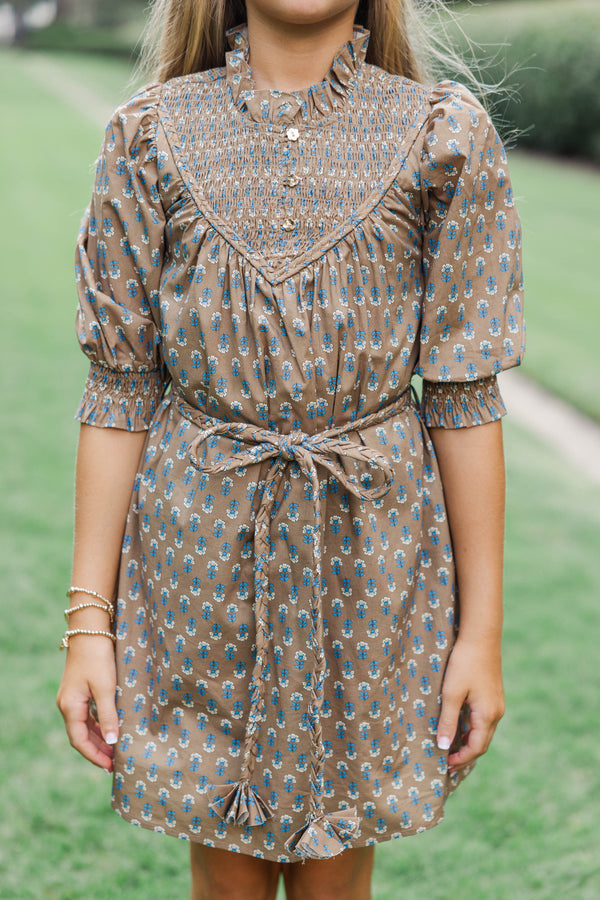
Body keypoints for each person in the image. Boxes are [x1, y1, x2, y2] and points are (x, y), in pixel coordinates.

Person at [56, 1, 525, 897]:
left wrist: (482, 634)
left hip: (375, 568)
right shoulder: (149, 135)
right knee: (223, 872)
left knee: (338, 877)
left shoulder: (444, 135)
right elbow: (120, 390)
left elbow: (465, 395)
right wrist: (89, 627)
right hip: (198, 559)